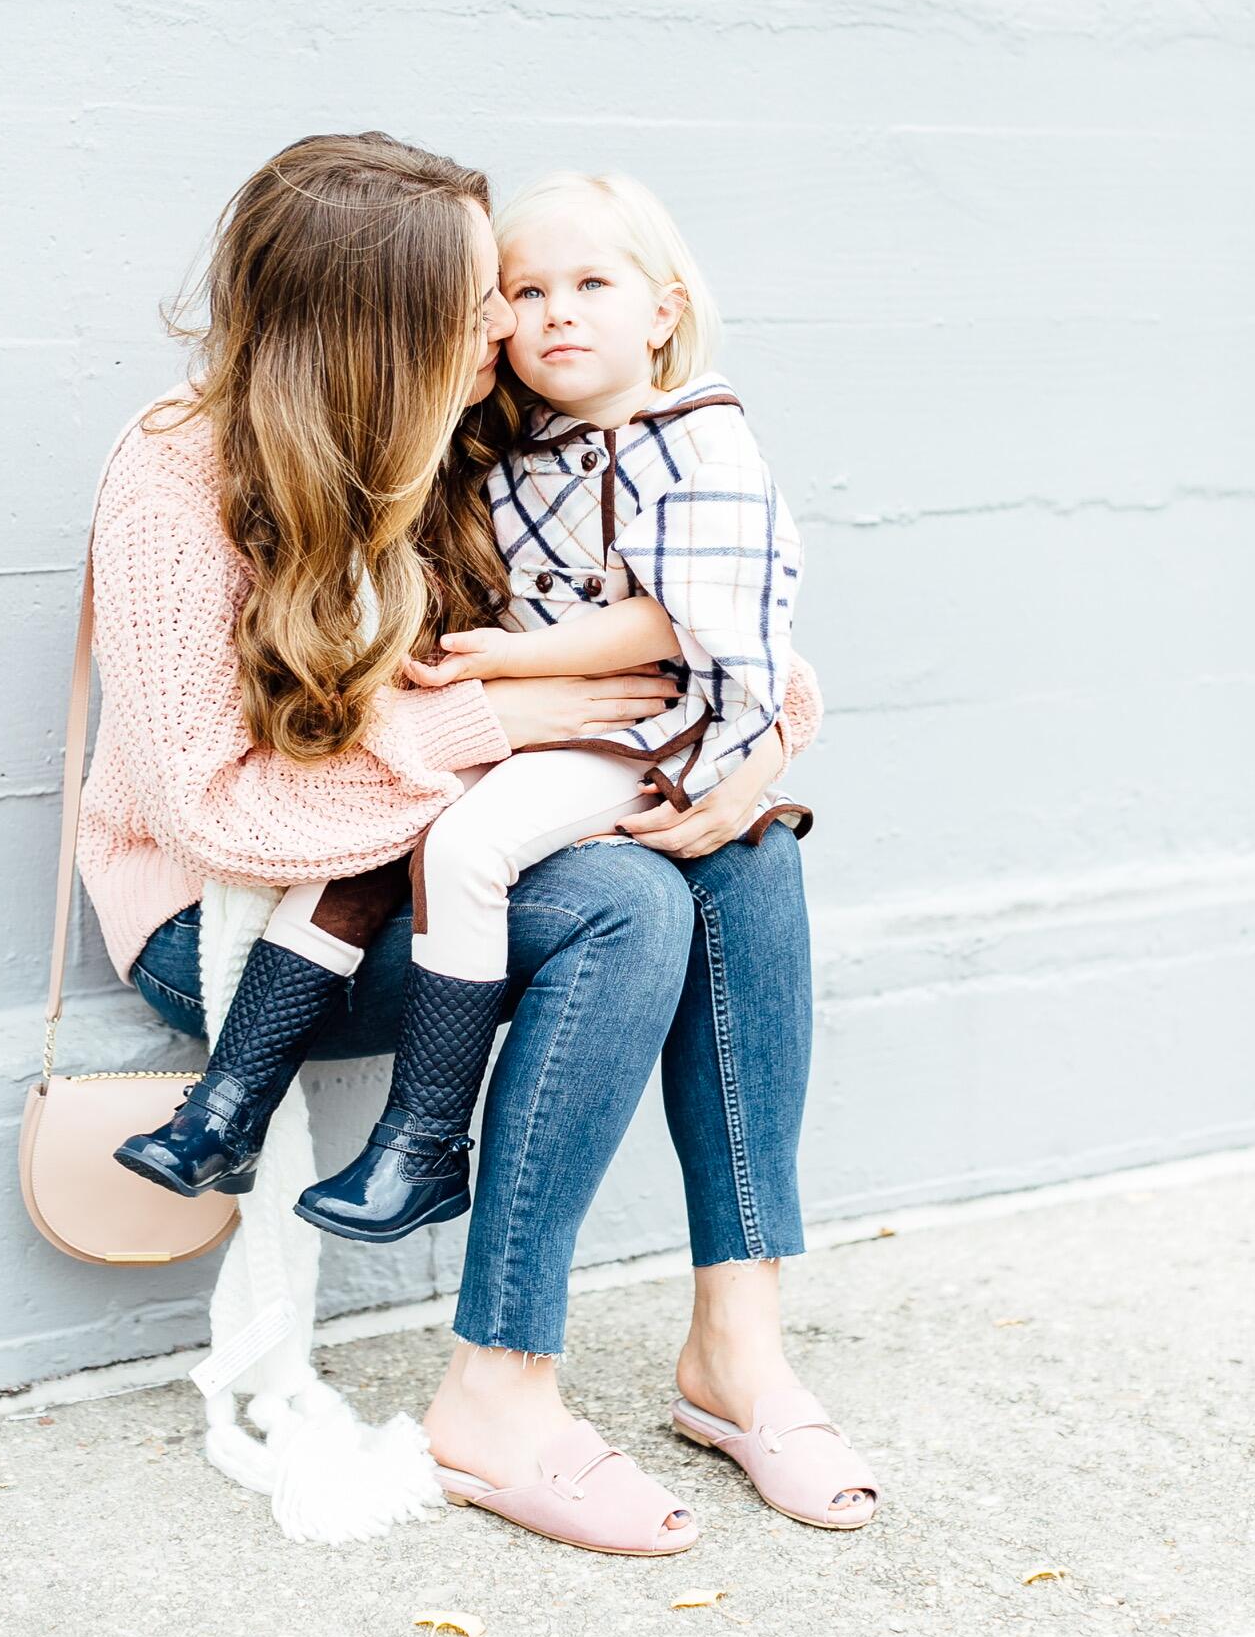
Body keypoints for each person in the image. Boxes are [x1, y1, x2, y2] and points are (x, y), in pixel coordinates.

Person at [78, 131, 877, 1555]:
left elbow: (728, 636)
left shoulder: (477, 441)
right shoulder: (173, 479)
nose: (510, 326)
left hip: (434, 872)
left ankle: (736, 1348)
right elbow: (218, 811)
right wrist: (491, 726)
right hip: (245, 928)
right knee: (627, 901)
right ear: (373, 330)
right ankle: (498, 1390)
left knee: (744, 849)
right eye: (475, 303)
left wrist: (744, 752)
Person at [294, 169, 812, 1245]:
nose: (555, 311)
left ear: (662, 310)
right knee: (428, 845)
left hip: (648, 735)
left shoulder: (696, 434)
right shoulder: (509, 451)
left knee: (711, 859)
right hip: (565, 734)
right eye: (525, 293)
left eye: (589, 282)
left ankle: (427, 1137)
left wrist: (516, 666)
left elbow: (693, 622)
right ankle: (251, 1109)